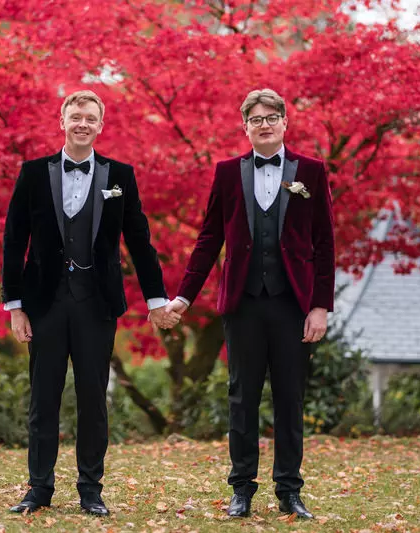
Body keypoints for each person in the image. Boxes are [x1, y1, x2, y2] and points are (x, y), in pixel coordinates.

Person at [2, 90, 179, 516]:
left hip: (96, 305)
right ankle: (39, 489)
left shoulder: (120, 175)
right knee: (43, 398)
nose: (82, 124)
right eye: (75, 116)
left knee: (93, 399)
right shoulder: (32, 173)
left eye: (91, 118)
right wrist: (15, 306)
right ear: (62, 121)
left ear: (101, 126)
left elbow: (140, 241)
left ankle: (90, 490)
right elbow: (13, 241)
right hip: (44, 303)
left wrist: (157, 300)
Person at [166, 88, 335, 519]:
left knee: (289, 399)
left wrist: (320, 306)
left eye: (271, 116)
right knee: (241, 398)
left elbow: (325, 242)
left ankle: (289, 491)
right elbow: (209, 239)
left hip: (292, 304)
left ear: (284, 123)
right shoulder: (227, 173)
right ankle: (241, 488)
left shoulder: (311, 172)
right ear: (245, 126)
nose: (263, 123)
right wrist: (185, 295)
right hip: (241, 304)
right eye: (255, 118)